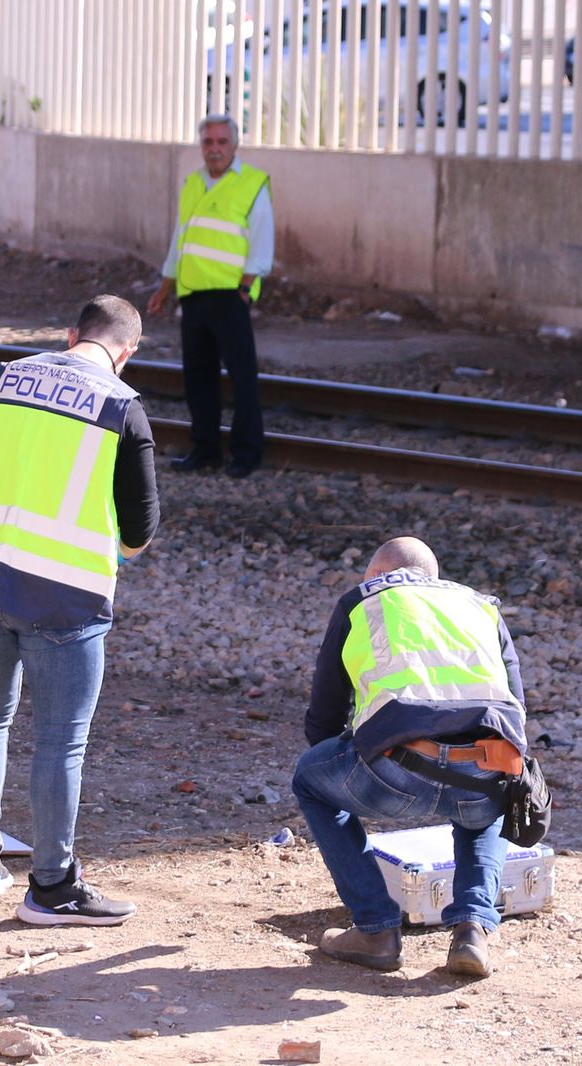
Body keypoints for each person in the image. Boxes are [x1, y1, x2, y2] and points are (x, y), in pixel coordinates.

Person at [0, 295, 160, 926]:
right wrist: (110, 550)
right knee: (60, 741)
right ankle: (51, 887)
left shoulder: (0, 379)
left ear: (71, 335)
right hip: (64, 595)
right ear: (126, 353)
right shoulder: (122, 406)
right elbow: (139, 527)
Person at [291, 536, 530, 978]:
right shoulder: (482, 607)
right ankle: (473, 928)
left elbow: (325, 713)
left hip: (395, 766)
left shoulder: (365, 600)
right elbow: (516, 709)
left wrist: (345, 769)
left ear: (379, 574)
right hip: (481, 769)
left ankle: (376, 929)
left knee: (310, 778)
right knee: (492, 806)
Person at [146, 114, 273, 479]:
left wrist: (246, 290)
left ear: (234, 146)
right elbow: (180, 239)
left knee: (242, 378)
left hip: (232, 295)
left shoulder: (252, 184)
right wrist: (165, 287)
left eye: (221, 142)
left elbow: (262, 241)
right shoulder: (192, 184)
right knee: (198, 379)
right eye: (208, 142)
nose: (214, 148)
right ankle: (205, 451)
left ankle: (247, 454)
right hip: (194, 293)